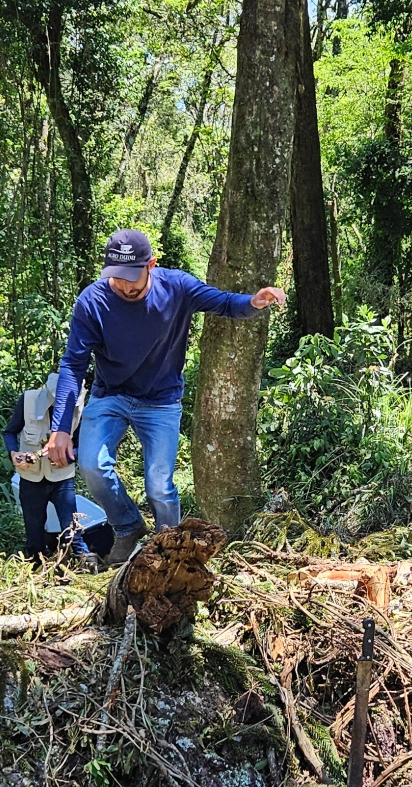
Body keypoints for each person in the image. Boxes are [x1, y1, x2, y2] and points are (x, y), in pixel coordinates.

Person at [46, 229, 286, 567]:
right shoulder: (93, 301)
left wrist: (255, 302)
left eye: (133, 278)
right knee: (91, 465)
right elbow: (72, 365)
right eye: (117, 279)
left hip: (160, 400)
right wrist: (59, 428)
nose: (125, 287)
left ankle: (168, 547)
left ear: (151, 265)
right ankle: (128, 526)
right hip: (110, 394)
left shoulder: (177, 287)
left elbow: (224, 303)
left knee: (159, 485)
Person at [4, 372, 97, 572]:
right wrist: (14, 454)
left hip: (62, 479)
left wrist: (68, 456)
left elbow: (83, 445)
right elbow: (10, 432)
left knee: (70, 527)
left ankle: (83, 561)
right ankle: (38, 563)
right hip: (31, 479)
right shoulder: (28, 400)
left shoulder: (79, 410)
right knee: (34, 531)